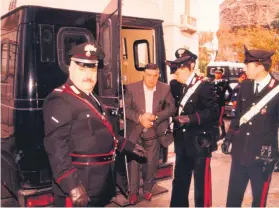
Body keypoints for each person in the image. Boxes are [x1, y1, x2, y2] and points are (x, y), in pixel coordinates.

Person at [43, 42, 146, 207]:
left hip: (100, 182)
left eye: (92, 68)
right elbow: (56, 148)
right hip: (80, 185)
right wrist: (72, 185)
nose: (88, 74)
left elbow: (102, 131)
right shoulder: (60, 99)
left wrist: (126, 144)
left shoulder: (93, 96)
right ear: (70, 69)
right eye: (82, 68)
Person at [222, 46, 279, 207]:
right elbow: (238, 116)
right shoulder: (245, 86)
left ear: (260, 67)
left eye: (248, 64)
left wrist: (276, 154)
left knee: (259, 202)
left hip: (262, 157)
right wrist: (229, 137)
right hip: (240, 152)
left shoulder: (277, 90)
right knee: (233, 200)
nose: (244, 67)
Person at [166, 48, 219, 207]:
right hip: (182, 142)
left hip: (200, 143)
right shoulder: (176, 85)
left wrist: (191, 118)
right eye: (175, 69)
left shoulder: (204, 86)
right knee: (180, 180)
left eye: (179, 69)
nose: (175, 73)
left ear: (190, 67)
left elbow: (213, 112)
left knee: (200, 185)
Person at [124, 63, 175, 205]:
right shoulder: (131, 88)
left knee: (151, 161)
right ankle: (133, 192)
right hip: (136, 129)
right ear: (143, 75)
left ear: (158, 75)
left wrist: (156, 117)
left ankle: (147, 189)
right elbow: (126, 109)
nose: (152, 79)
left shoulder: (165, 88)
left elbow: (171, 108)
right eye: (149, 75)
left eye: (155, 75)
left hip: (154, 129)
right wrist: (140, 118)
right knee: (134, 161)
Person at [212, 67, 233, 139]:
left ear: (221, 74)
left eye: (219, 73)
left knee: (220, 118)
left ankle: (223, 132)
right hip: (212, 103)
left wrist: (227, 100)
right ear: (214, 73)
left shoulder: (224, 82)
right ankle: (215, 133)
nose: (217, 75)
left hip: (220, 103)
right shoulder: (211, 82)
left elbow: (231, 91)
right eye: (216, 73)